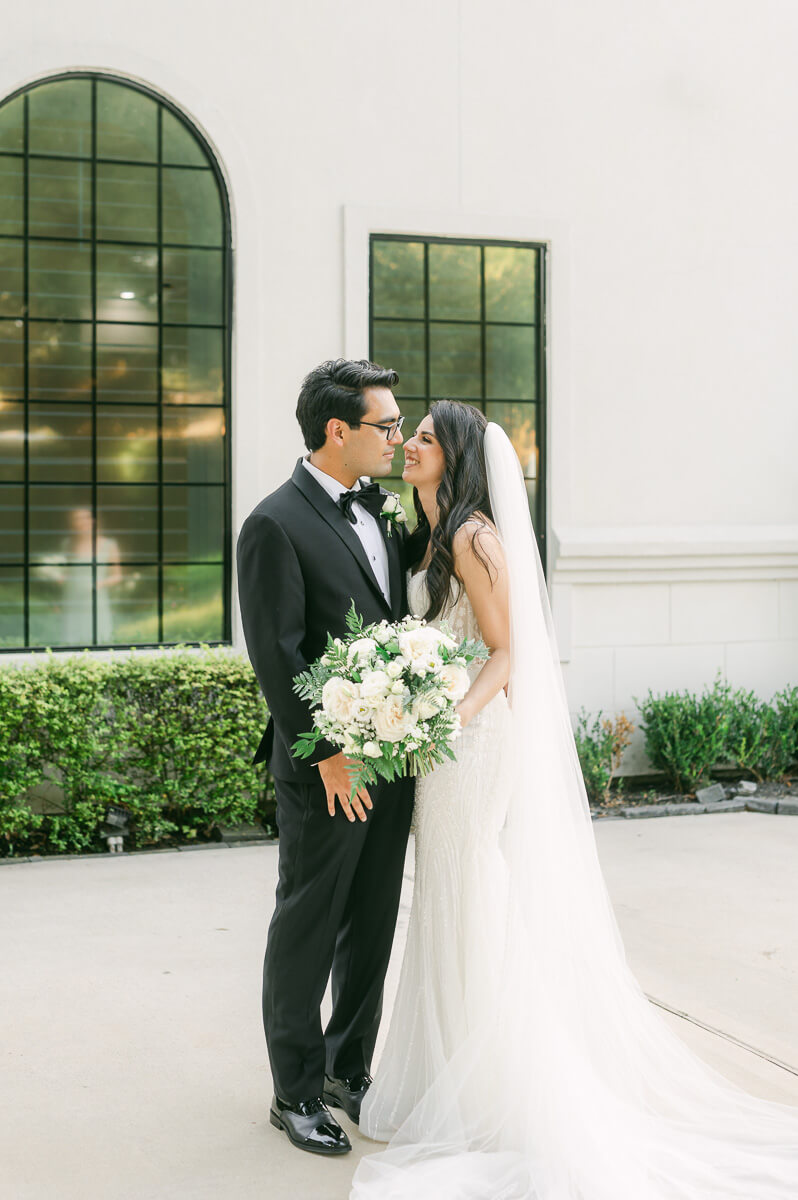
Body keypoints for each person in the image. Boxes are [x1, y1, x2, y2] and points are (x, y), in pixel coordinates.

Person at [352, 401, 798, 1198]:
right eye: (407, 433)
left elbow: (510, 650)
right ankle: (449, 1076)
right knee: (450, 896)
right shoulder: (423, 533)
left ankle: (501, 1086)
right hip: (438, 752)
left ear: (453, 455)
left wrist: (446, 716)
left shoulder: (472, 535)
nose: (408, 444)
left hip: (472, 746)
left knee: (469, 890)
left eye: (422, 436)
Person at [236, 359, 414, 1158]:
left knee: (372, 921)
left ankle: (349, 1070)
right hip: (327, 770)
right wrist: (328, 755)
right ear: (337, 430)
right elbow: (277, 657)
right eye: (386, 425)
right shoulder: (274, 523)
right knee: (309, 922)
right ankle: (296, 1091)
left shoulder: (385, 510)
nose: (397, 438)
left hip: (395, 761)